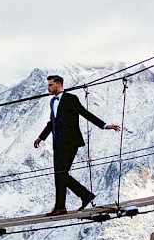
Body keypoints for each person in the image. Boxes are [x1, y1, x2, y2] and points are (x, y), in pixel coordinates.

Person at [33, 75, 121, 216]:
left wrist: (105, 126)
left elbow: (85, 114)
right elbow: (52, 123)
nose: (47, 88)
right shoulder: (52, 102)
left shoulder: (70, 99)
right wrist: (41, 137)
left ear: (58, 84)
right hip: (58, 143)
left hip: (70, 142)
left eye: (50, 85)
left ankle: (78, 198)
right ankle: (65, 205)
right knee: (59, 175)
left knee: (60, 174)